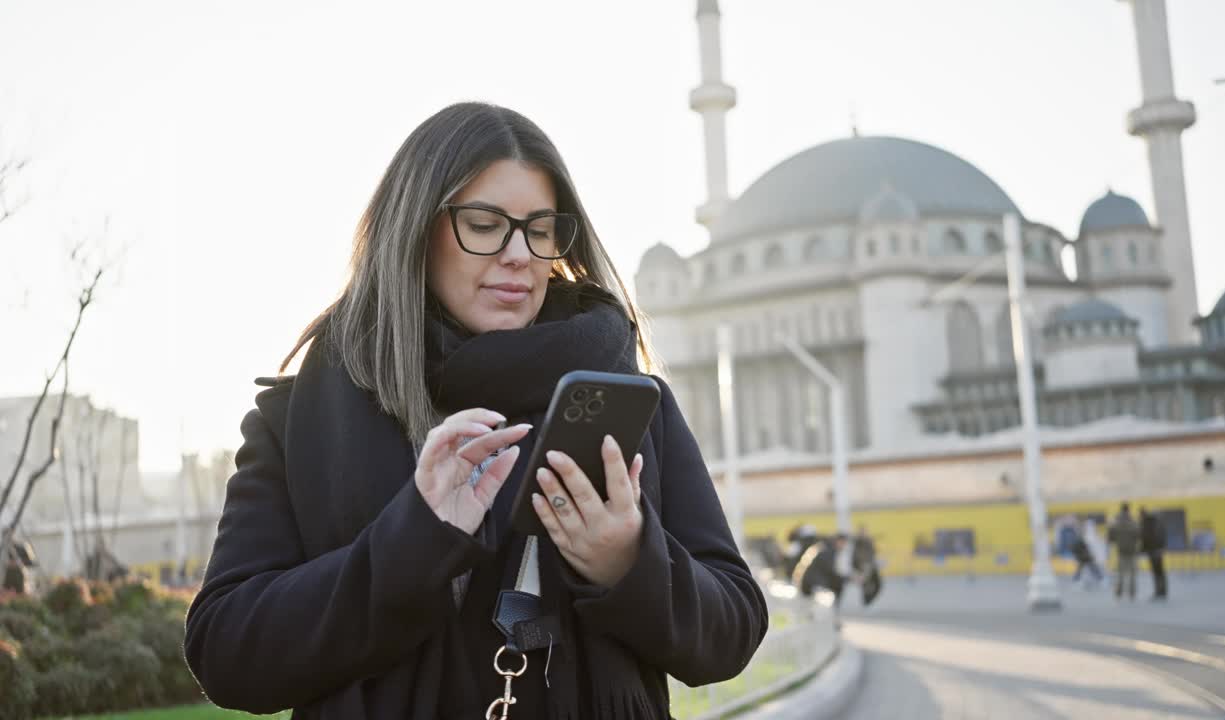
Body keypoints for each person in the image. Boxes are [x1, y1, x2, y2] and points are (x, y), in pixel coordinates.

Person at [183, 103, 768, 720]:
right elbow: (226, 653)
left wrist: (630, 562)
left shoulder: (626, 400)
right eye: (485, 223)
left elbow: (733, 631)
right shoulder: (302, 416)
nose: (519, 255)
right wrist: (414, 538)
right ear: (416, 228)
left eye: (540, 228)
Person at [1107, 503, 1141, 601]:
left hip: (1121, 550)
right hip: (1132, 550)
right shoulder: (1133, 522)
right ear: (1128, 510)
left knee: (1120, 573)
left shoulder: (1116, 522)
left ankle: (1119, 592)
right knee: (1133, 573)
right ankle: (1132, 593)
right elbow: (1138, 535)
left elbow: (1110, 537)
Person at [1139, 507, 1168, 600]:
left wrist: (1141, 550)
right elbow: (1163, 536)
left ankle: (1158, 592)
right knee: (1161, 572)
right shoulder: (1158, 522)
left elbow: (1145, 538)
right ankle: (1163, 591)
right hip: (1159, 550)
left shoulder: (1147, 524)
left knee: (1156, 572)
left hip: (1152, 551)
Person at [851, 524, 881, 606]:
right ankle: (866, 602)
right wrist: (858, 568)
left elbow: (873, 553)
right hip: (863, 567)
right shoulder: (857, 542)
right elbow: (855, 556)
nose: (864, 533)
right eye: (862, 531)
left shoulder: (868, 541)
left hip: (870, 566)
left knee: (877, 584)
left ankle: (868, 601)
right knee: (866, 585)